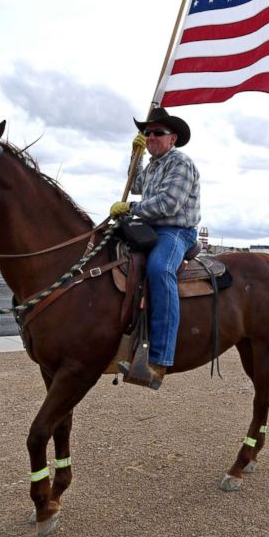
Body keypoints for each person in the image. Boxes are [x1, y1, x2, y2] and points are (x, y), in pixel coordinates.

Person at [109, 107, 200, 389]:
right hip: (147, 227)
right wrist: (134, 157)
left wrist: (131, 208)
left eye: (157, 133)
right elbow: (134, 184)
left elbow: (168, 203)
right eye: (147, 133)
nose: (150, 137)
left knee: (160, 269)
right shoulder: (152, 166)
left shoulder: (181, 164)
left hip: (176, 231)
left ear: (172, 138)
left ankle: (159, 358)